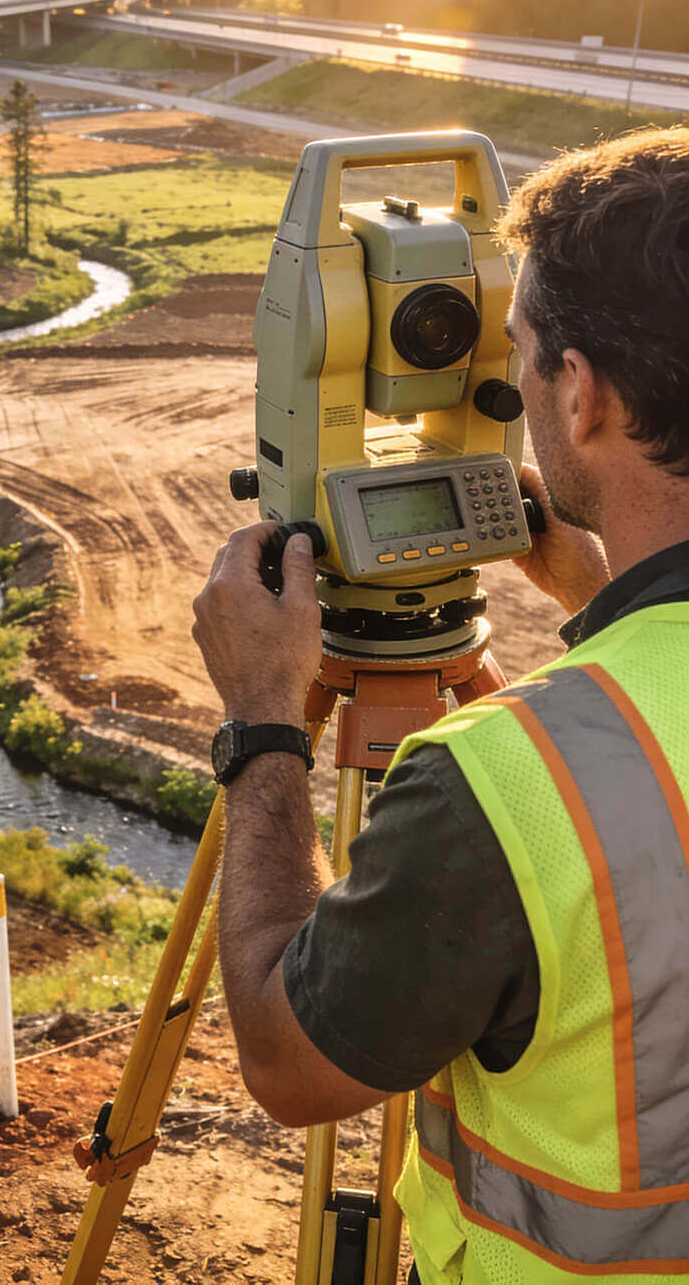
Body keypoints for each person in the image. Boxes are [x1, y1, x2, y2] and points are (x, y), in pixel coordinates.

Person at [191, 127, 689, 1283]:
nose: (502, 379)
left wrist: (265, 720)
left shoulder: (510, 784)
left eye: (515, 350)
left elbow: (283, 1059)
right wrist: (600, 591)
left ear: (581, 396)